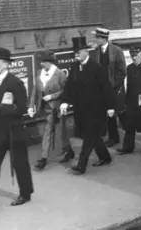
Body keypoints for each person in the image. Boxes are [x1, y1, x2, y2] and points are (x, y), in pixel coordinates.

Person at [0, 47, 34, 211]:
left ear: (5, 64)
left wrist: (3, 107)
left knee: (20, 164)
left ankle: (25, 193)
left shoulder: (15, 83)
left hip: (14, 131)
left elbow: (22, 108)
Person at [60, 37, 115, 175]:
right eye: (74, 52)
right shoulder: (74, 67)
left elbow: (106, 88)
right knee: (94, 136)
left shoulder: (96, 68)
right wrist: (65, 101)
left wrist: (110, 107)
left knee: (89, 137)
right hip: (81, 109)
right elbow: (69, 86)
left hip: (96, 110)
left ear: (86, 52)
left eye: (78, 52)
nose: (76, 54)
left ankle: (81, 165)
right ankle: (105, 157)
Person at [29, 50, 73, 170]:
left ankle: (45, 158)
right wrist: (30, 106)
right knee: (57, 131)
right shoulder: (39, 73)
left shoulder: (59, 74)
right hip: (46, 109)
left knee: (53, 132)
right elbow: (35, 91)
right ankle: (67, 151)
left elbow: (66, 91)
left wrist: (52, 96)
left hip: (57, 108)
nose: (41, 64)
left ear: (49, 62)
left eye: (43, 62)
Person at [89, 27, 127, 148]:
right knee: (107, 112)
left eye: (97, 37)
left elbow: (122, 71)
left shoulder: (116, 50)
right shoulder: (95, 52)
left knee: (120, 112)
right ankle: (113, 137)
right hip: (102, 89)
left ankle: (128, 137)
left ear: (103, 38)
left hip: (115, 87)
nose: (96, 39)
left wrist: (114, 84)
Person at [117, 47, 141, 155]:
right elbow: (128, 85)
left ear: (140, 55)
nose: (134, 58)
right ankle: (127, 146)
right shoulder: (129, 68)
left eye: (136, 55)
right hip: (131, 99)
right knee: (130, 124)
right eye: (132, 56)